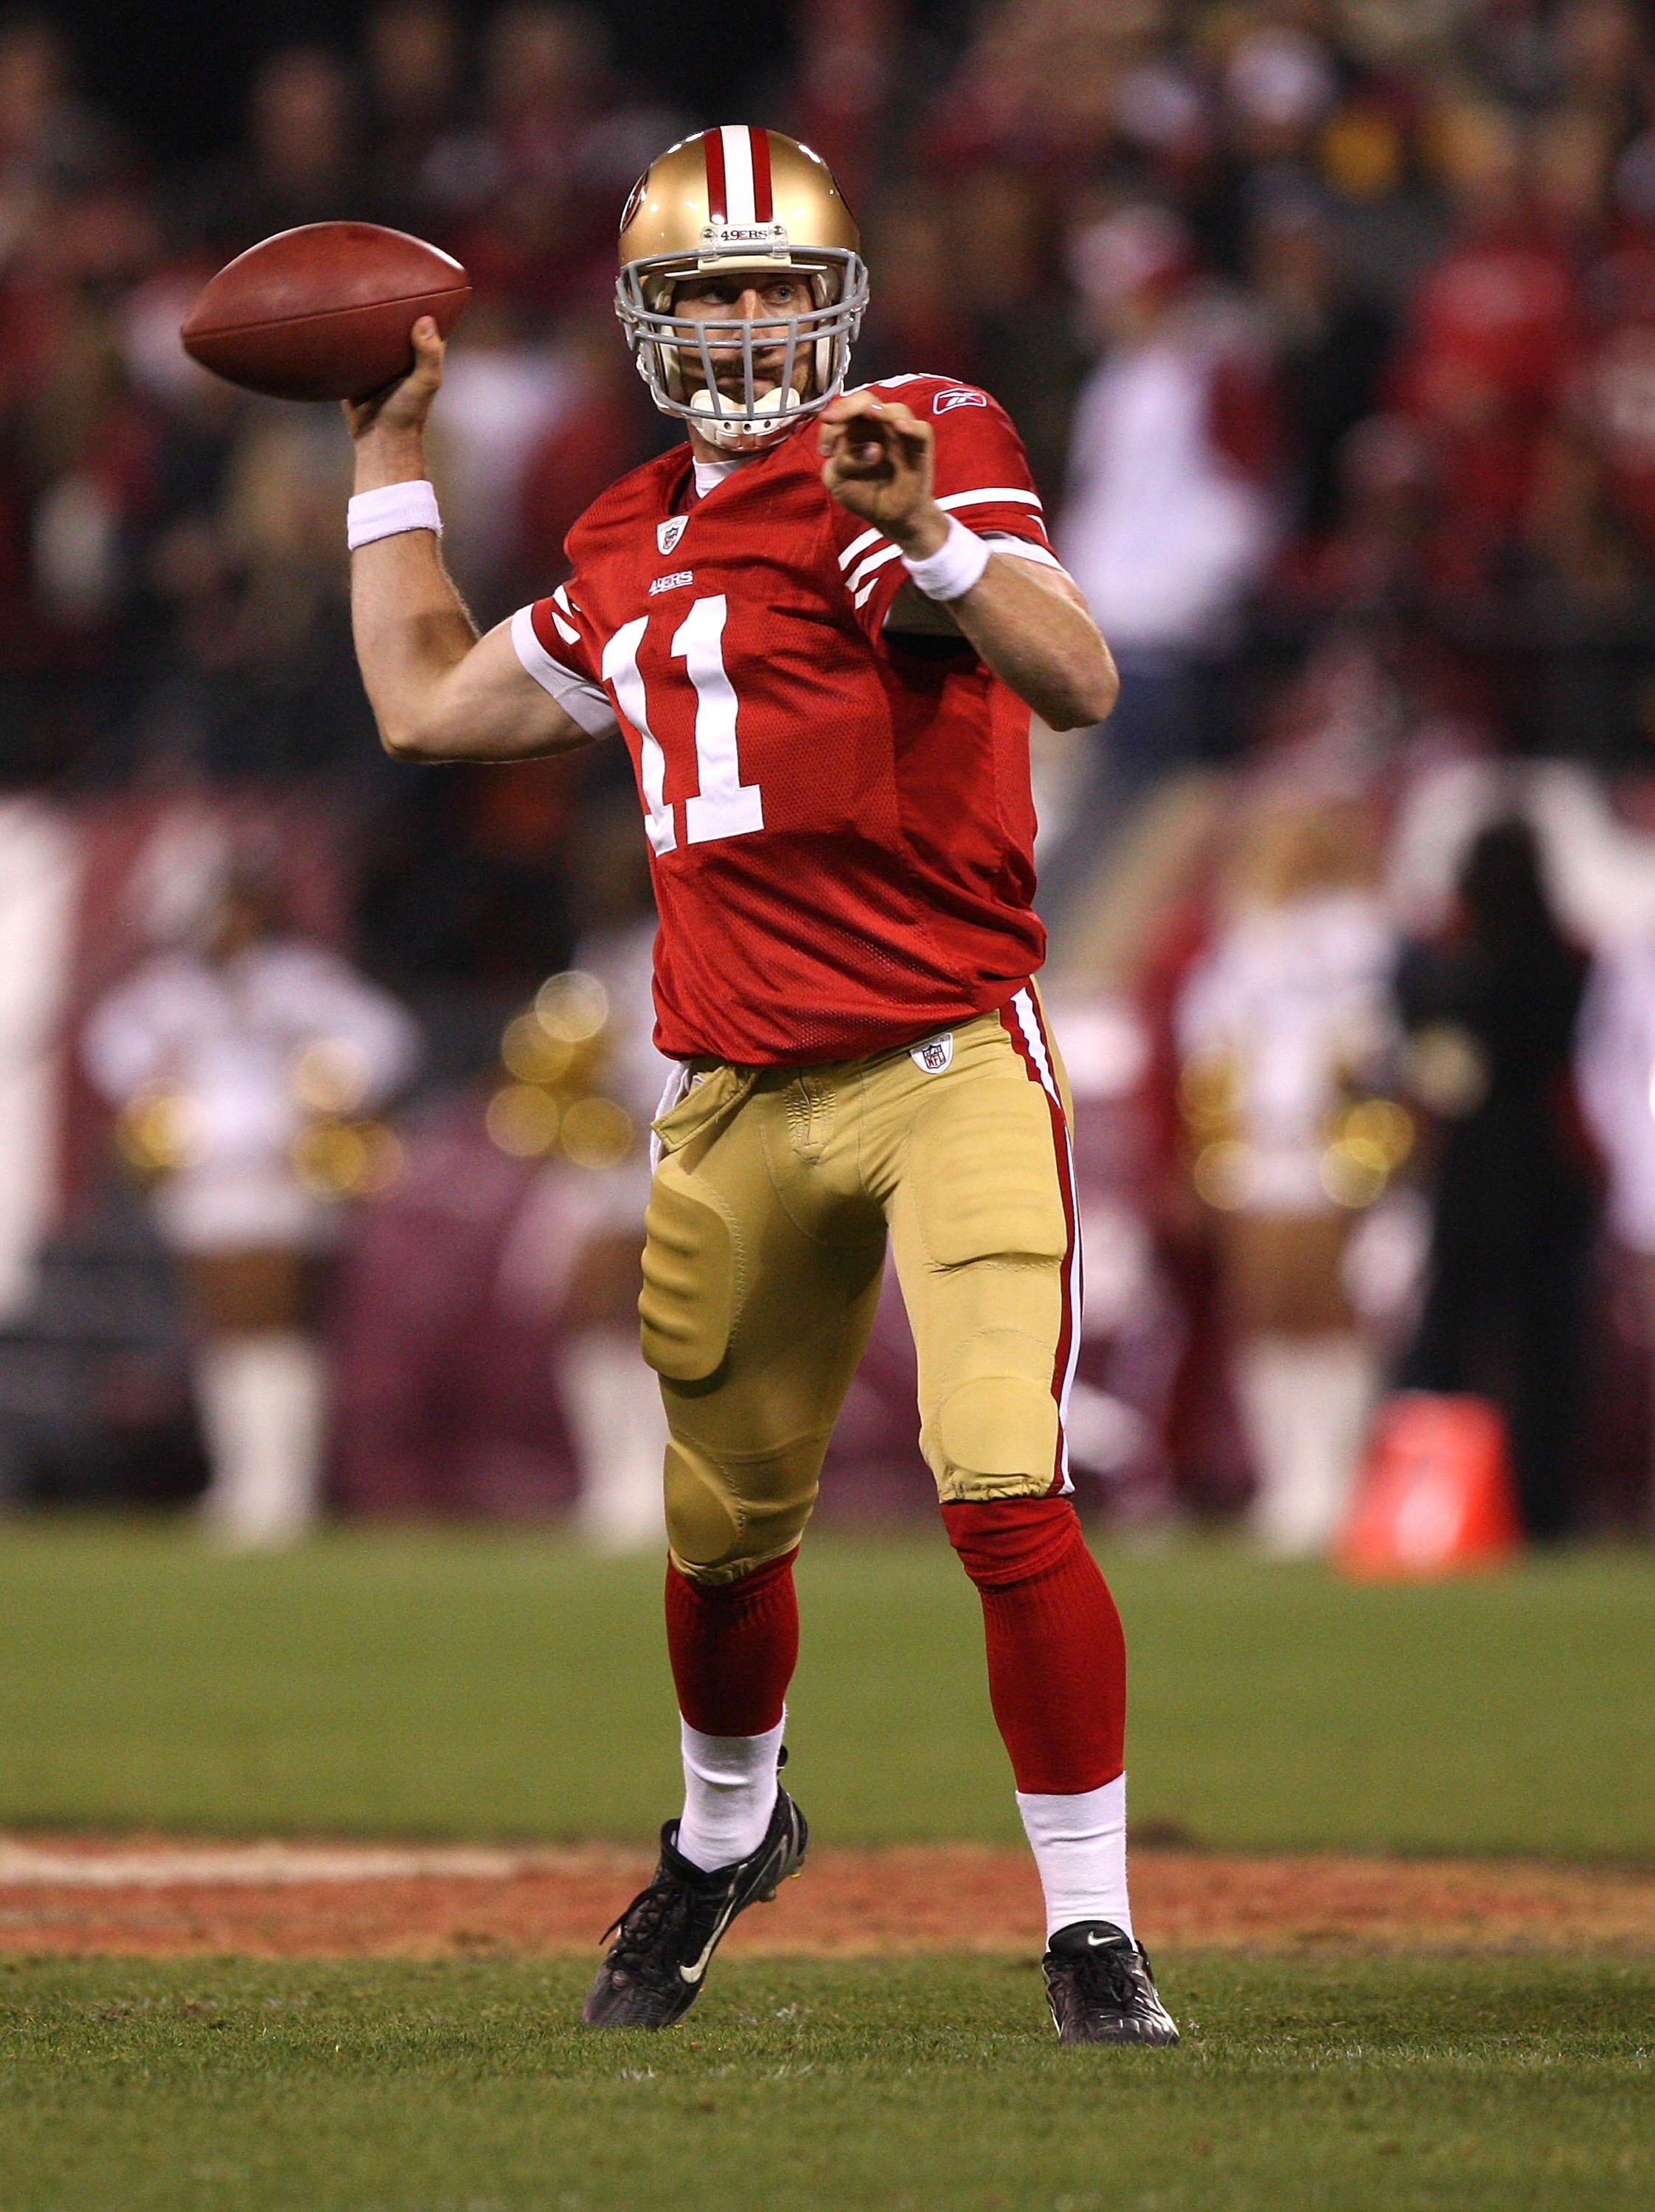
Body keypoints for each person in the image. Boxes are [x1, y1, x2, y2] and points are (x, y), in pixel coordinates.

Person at [339, 125, 1176, 2048]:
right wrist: (384, 453)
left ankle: (1090, 1928)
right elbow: (420, 702)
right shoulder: (625, 536)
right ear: (647, 318)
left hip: (946, 1054)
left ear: (837, 305)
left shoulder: (920, 436)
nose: (738, 325)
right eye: (702, 292)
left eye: (769, 289)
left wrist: (942, 541)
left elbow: (1078, 681)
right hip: (731, 1094)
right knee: (721, 1543)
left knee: (998, 1488)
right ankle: (725, 1837)